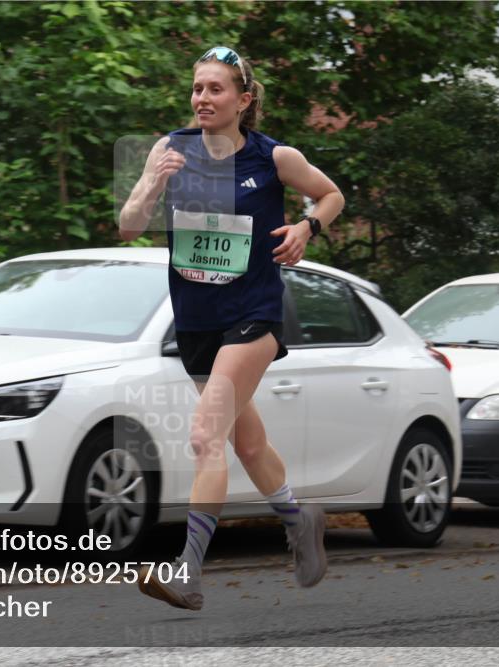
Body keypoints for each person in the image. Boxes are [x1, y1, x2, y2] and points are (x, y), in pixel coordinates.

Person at [119, 46, 345, 611]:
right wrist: (150, 184)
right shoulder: (170, 149)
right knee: (247, 443)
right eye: (197, 88)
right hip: (197, 320)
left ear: (243, 100)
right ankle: (300, 521)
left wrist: (306, 228)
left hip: (253, 315)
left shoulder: (275, 157)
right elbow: (128, 227)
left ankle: (188, 573)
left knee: (204, 437)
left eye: (215, 89)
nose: (202, 98)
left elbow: (332, 195)